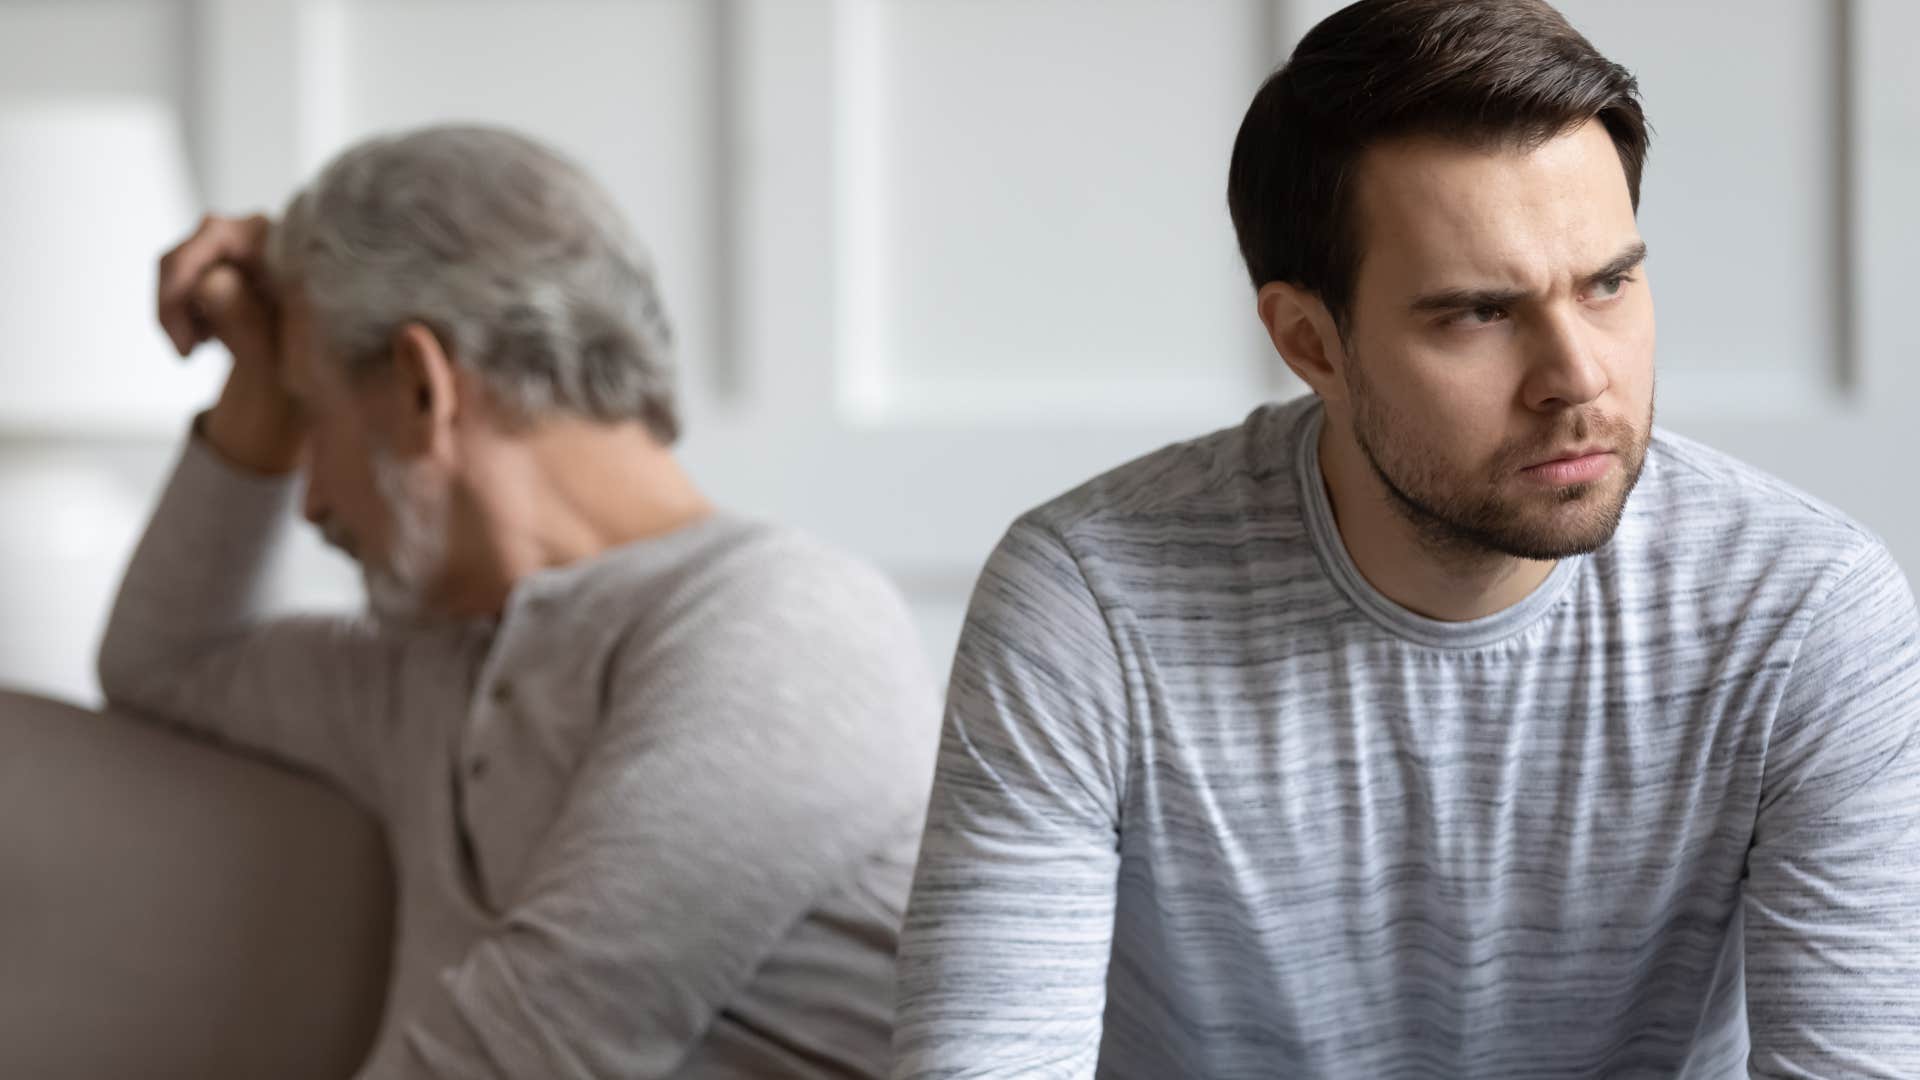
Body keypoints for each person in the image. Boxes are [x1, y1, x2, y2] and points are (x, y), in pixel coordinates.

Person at [891, 1, 1920, 1076]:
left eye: (1609, 282)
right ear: (1309, 341)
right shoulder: (1088, 604)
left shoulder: (1804, 612)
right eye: (1479, 313)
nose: (1578, 378)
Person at [102, 125, 939, 1079]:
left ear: (423, 388)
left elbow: (532, 1056)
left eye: (312, 415)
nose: (312, 500)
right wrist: (259, 374)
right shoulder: (430, 667)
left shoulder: (785, 624)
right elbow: (166, 663)